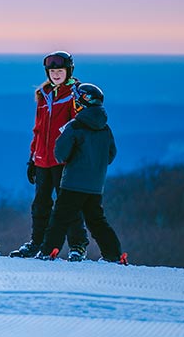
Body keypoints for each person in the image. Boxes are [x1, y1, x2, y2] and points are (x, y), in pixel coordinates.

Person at [10, 51, 91, 261]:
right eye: (52, 71)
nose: (56, 75)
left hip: (63, 159)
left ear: (68, 71)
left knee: (67, 204)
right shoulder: (44, 94)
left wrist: (76, 157)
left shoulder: (74, 95)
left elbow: (79, 129)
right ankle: (38, 242)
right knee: (40, 204)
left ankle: (77, 245)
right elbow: (37, 130)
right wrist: (32, 157)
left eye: (60, 71)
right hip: (42, 159)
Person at [38, 83, 127, 265]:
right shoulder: (105, 128)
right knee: (96, 220)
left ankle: (49, 251)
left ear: (80, 103)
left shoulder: (75, 126)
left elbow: (61, 153)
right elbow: (111, 154)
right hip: (95, 185)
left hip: (73, 183)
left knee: (60, 218)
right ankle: (114, 254)